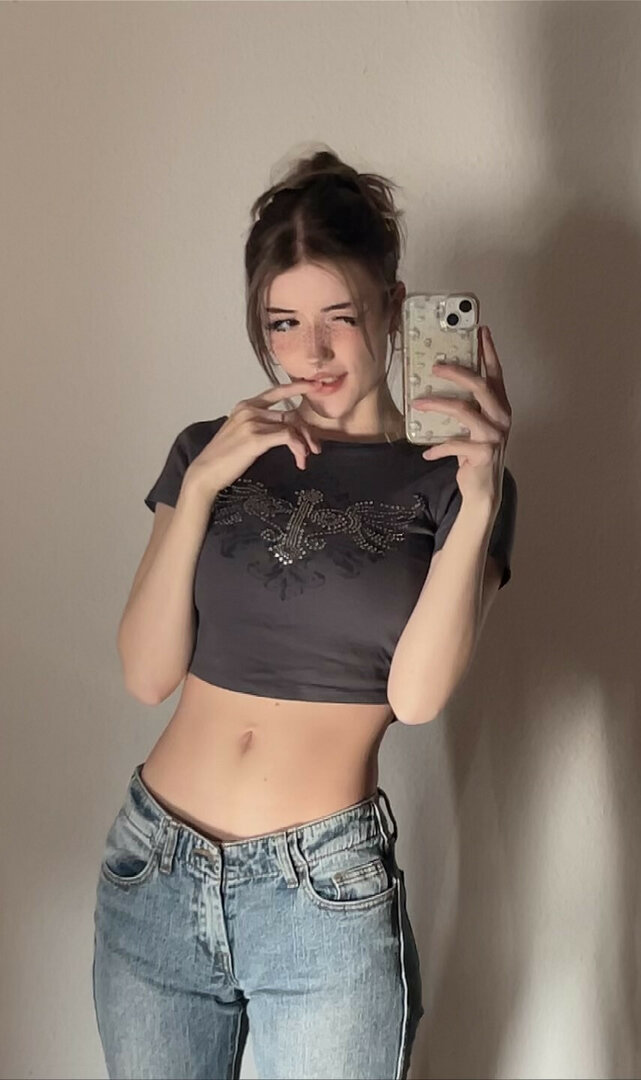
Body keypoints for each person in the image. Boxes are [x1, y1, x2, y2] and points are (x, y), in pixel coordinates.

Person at [91, 146, 517, 1080]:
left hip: (323, 896)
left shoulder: (450, 482)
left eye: (340, 319)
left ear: (393, 310)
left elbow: (415, 697)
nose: (311, 353)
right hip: (154, 867)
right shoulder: (207, 451)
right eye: (284, 323)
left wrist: (483, 493)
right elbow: (147, 673)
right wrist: (202, 485)